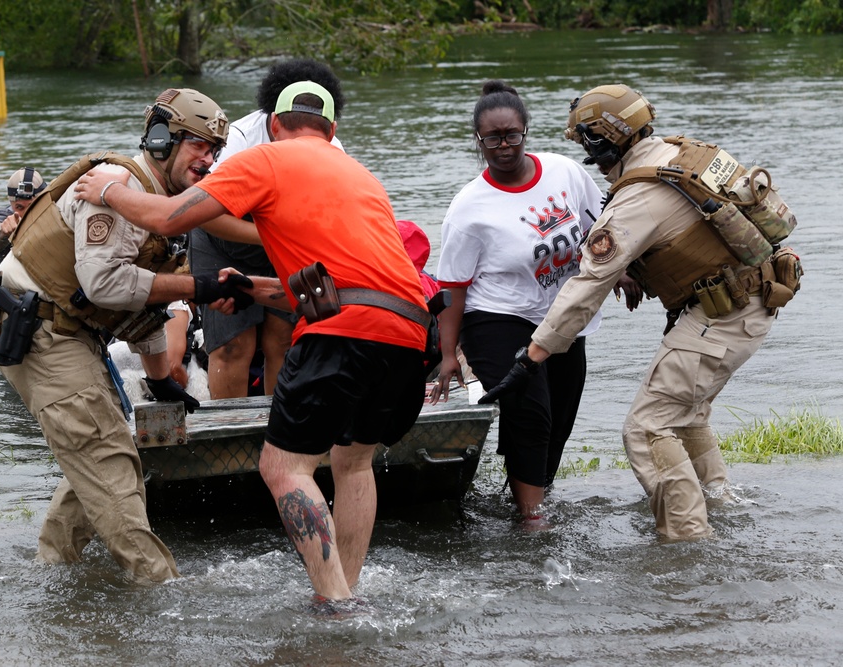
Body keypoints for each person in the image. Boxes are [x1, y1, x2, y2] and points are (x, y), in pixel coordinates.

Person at [74, 81, 430, 604]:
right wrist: (251, 288)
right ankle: (347, 590)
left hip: (341, 331)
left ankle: (333, 603)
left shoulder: (267, 157)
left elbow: (166, 216)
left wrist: (103, 189)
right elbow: (348, 282)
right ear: (332, 131)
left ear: (275, 125)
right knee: (353, 463)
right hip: (408, 329)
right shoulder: (362, 177)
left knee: (282, 468)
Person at [479, 84, 800, 539]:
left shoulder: (637, 196)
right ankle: (721, 505)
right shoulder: (684, 152)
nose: (587, 155)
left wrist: (533, 356)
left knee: (646, 429)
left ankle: (688, 540)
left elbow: (587, 286)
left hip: (724, 317)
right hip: (755, 299)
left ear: (602, 140)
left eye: (587, 141)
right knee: (686, 415)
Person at [0, 88, 258, 583]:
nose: (210, 160)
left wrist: (161, 380)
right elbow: (104, 284)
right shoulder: (113, 187)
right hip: (43, 333)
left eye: (215, 150)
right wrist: (199, 284)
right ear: (161, 141)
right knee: (110, 462)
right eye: (199, 146)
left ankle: (50, 576)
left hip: (70, 332)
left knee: (104, 458)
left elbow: (141, 302)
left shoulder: (160, 202)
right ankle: (161, 590)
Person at [429, 80, 616, 529]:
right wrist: (448, 354)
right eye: (492, 138)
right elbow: (452, 286)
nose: (503, 145)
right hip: (496, 316)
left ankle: (528, 490)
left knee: (560, 418)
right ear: (479, 141)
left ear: (525, 131)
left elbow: (603, 226)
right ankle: (532, 516)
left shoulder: (564, 172)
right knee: (532, 412)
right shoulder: (469, 207)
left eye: (511, 134)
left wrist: (622, 269)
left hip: (564, 315)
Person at [191, 58, 346, 399]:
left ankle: (279, 432)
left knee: (284, 341)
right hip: (223, 238)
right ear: (274, 121)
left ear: (329, 127)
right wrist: (268, 236)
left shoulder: (333, 149)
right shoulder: (239, 140)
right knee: (234, 346)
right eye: (293, 123)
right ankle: (230, 438)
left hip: (285, 242)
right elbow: (201, 213)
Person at [0, 167, 46, 264]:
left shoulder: (56, 211)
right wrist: (3, 232)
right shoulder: (6, 216)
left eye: (31, 206)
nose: (26, 214)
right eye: (19, 207)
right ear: (11, 204)